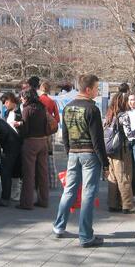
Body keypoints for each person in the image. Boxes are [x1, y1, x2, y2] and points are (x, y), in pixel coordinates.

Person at [53, 74, 109, 248]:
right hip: (90, 155)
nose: (97, 91)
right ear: (88, 89)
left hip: (73, 154)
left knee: (69, 190)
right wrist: (105, 164)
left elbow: (66, 137)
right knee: (88, 194)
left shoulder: (68, 108)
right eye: (96, 88)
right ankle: (85, 235)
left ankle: (59, 226)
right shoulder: (92, 109)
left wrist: (70, 152)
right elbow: (98, 140)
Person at [15, 88, 49, 210]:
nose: (21, 99)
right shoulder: (42, 108)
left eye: (22, 97)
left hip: (31, 143)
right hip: (43, 141)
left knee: (29, 174)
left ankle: (26, 203)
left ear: (27, 98)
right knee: (43, 173)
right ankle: (43, 200)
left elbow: (26, 130)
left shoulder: (27, 109)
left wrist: (18, 125)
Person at [104, 92, 135, 214]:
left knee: (112, 177)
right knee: (124, 176)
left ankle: (113, 204)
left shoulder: (109, 115)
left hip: (110, 150)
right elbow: (129, 134)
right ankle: (127, 205)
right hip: (121, 150)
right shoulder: (124, 116)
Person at [120, 91, 135, 203]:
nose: (130, 102)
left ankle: (133, 192)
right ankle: (126, 192)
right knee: (126, 167)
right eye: (129, 99)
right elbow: (129, 133)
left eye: (133, 99)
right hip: (127, 141)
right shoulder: (125, 113)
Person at [0, 118, 22, 207]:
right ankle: (15, 195)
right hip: (17, 146)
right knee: (14, 173)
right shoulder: (0, 122)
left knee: (5, 172)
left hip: (10, 148)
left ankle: (5, 198)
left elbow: (0, 140)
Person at [0, 92, 23, 201]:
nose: (5, 104)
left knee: (15, 170)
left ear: (12, 100)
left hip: (17, 144)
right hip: (9, 143)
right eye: (4, 103)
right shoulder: (8, 112)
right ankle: (12, 193)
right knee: (12, 170)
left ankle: (15, 193)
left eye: (6, 102)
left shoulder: (20, 111)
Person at [39, 80, 60, 188]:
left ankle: (39, 183)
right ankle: (53, 183)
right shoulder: (52, 102)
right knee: (50, 157)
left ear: (40, 89)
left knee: (38, 157)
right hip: (50, 133)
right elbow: (57, 119)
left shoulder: (38, 100)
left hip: (38, 132)